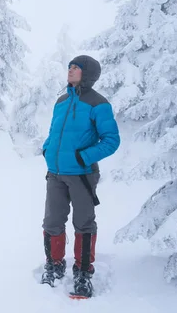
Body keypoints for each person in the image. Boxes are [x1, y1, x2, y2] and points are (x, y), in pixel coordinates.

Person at [40, 54, 120, 297]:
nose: (71, 70)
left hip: (82, 175)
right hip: (55, 174)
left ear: (88, 74)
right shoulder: (61, 101)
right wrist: (47, 149)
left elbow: (111, 140)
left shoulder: (98, 103)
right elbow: (54, 133)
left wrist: (82, 157)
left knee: (83, 224)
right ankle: (54, 265)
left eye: (76, 67)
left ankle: (83, 274)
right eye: (70, 66)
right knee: (52, 222)